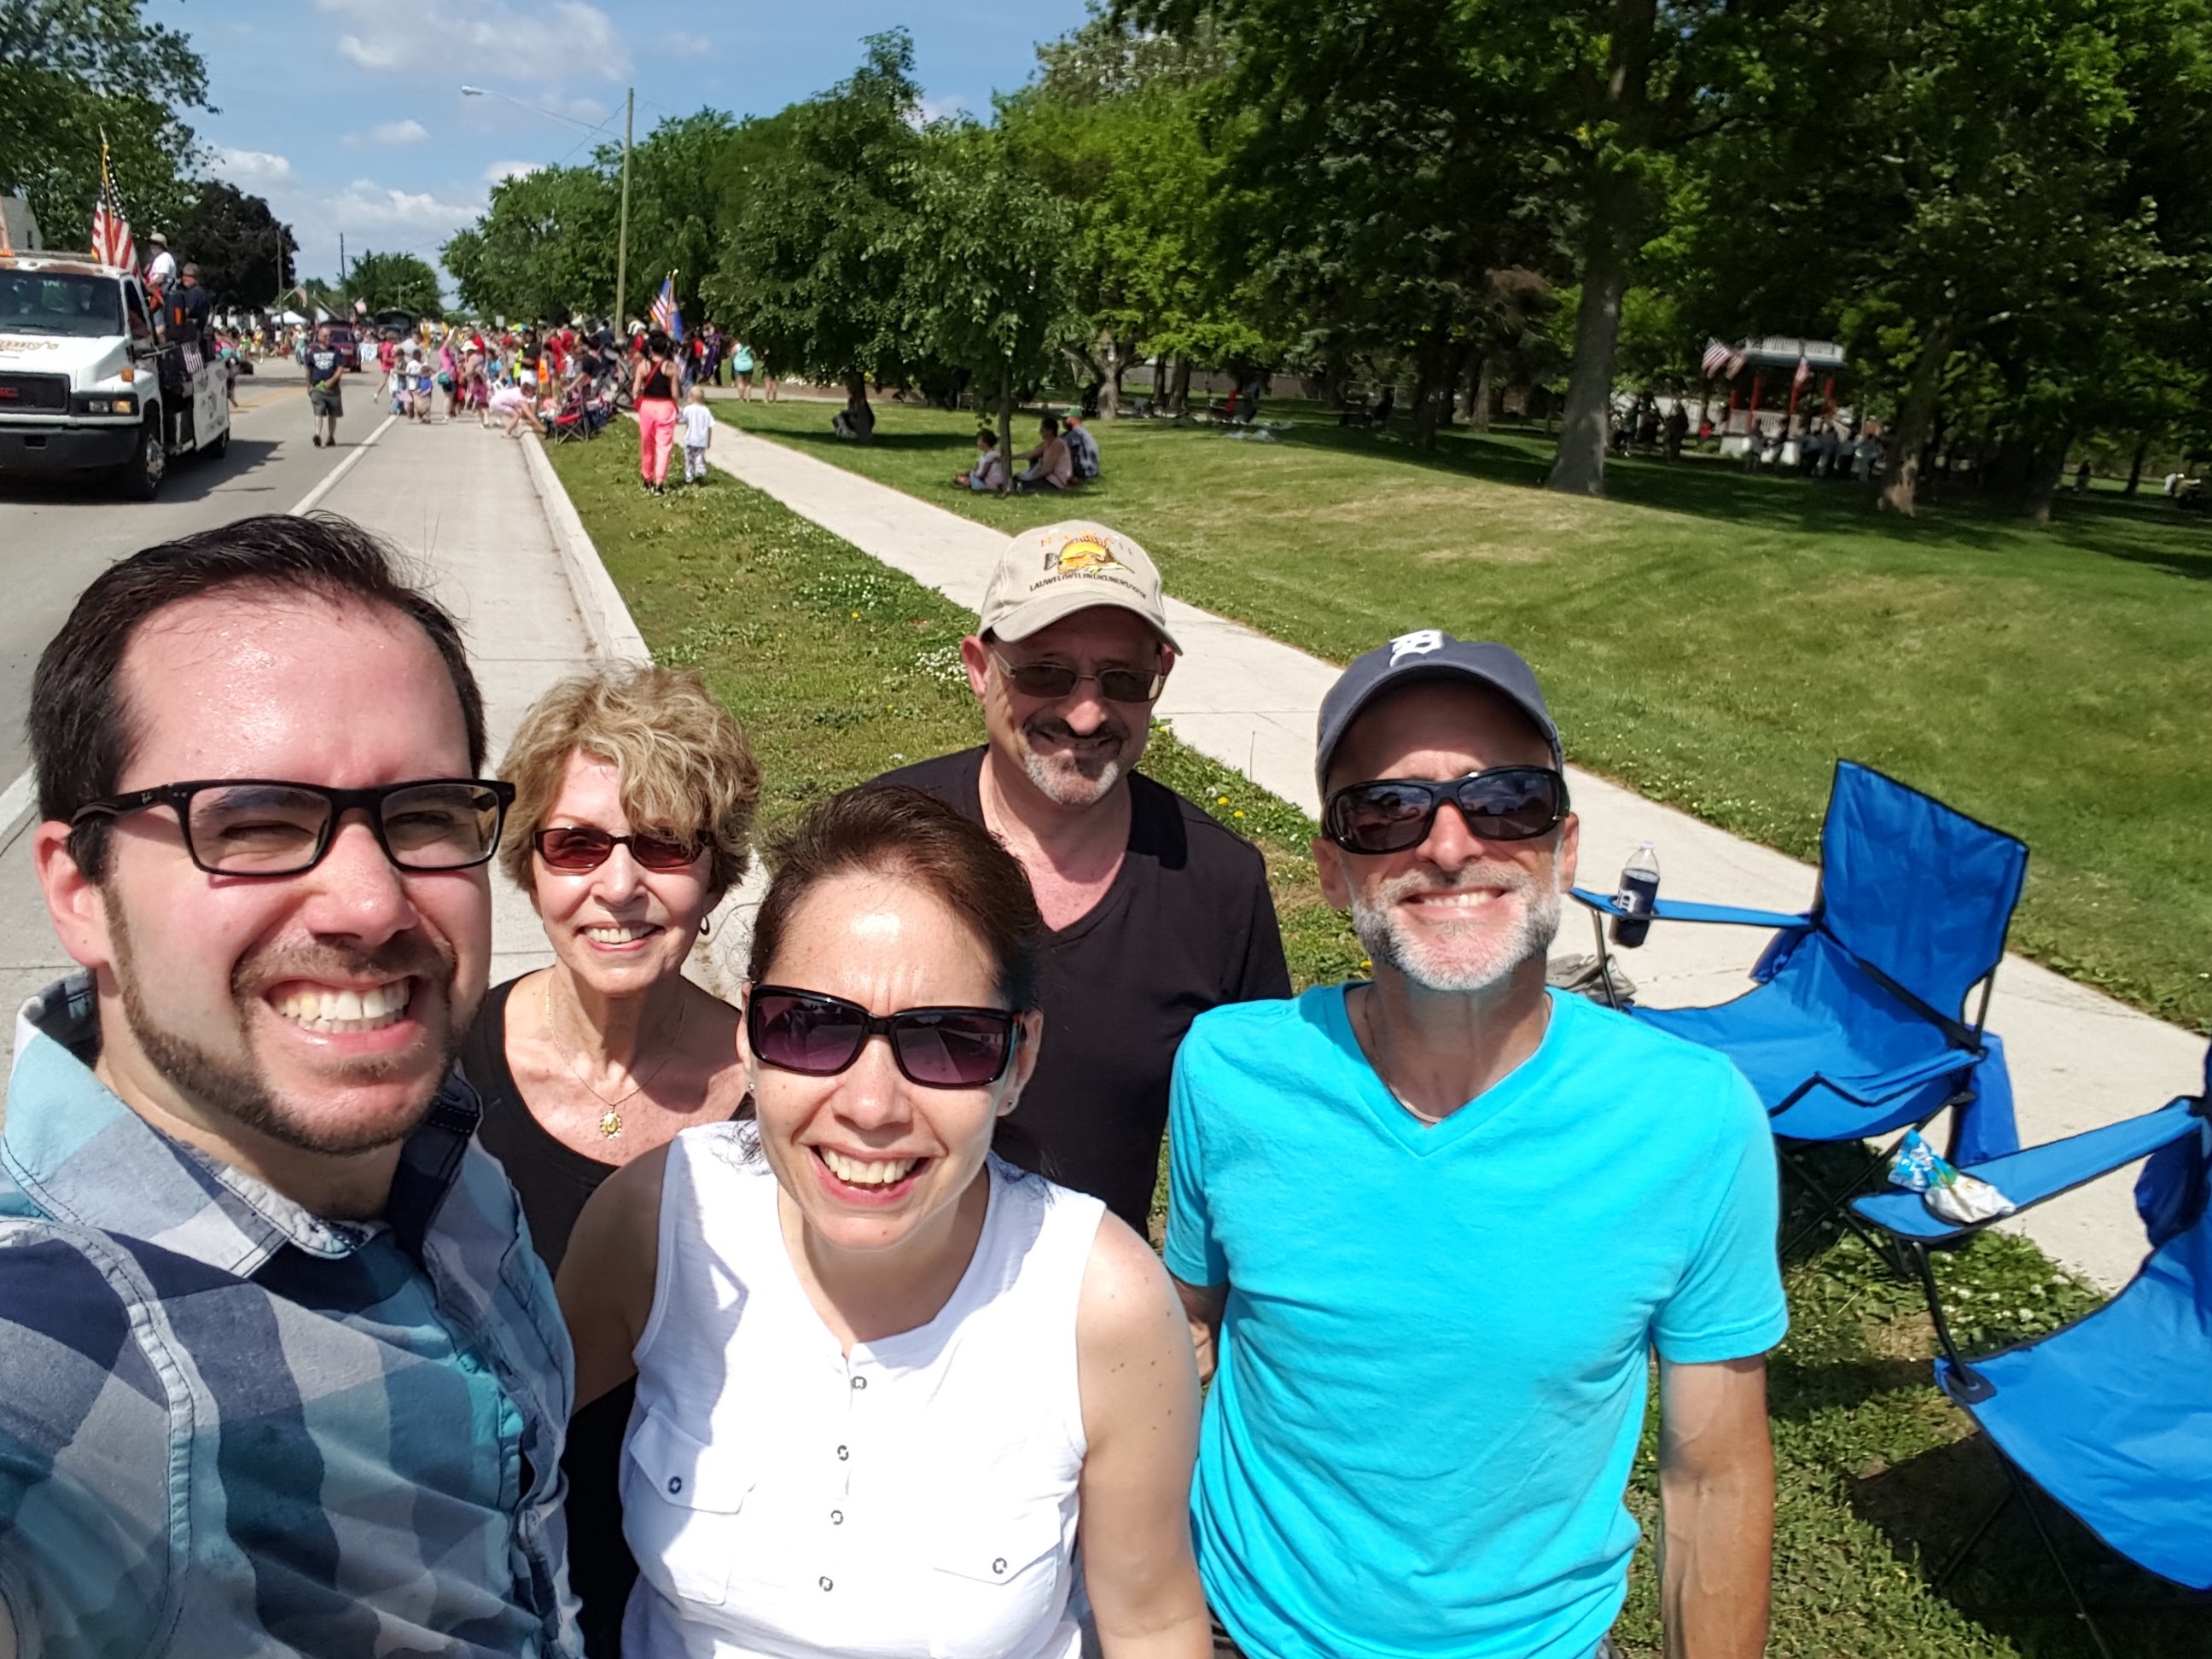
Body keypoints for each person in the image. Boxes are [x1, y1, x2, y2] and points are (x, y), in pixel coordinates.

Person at [3, 514, 579, 1656]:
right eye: (256, 825)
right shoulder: (63, 1358)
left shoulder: (440, 1156)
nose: (369, 905)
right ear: (79, 890)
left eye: (421, 817)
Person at [1167, 628, 1786, 1659]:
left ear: (1566, 848)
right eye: (1387, 810)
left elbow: (1713, 1475)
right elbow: (1188, 1328)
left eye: (1505, 800)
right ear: (1332, 869)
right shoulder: (1228, 1071)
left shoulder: (1693, 1119)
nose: (1449, 846)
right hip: (1236, 1626)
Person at [558, 785, 1213, 1659]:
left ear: (1019, 1062)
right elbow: (511, 1481)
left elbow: (1152, 1623)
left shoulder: (1103, 1301)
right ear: (750, 1036)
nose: (871, 1105)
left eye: (948, 1041)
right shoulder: (662, 1221)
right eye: (812, 1027)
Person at [459, 666, 760, 1657]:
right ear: (530, 865)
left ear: (714, 874)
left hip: (701, 1606)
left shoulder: (785, 1098)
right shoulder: (440, 1074)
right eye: (577, 844)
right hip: (482, 1582)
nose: (619, 885)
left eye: (664, 845)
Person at [875, 522, 1289, 1232]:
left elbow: (1258, 1142)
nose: (1088, 711)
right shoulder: (873, 844)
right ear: (980, 668)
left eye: (1123, 679)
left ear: (1159, 677)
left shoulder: (1218, 882)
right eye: (1045, 672)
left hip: (1088, 1319)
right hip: (874, 1293)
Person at [632, 329, 680, 494]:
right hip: (666, 406)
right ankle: (659, 482)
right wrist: (677, 407)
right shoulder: (671, 367)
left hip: (647, 406)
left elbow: (635, 390)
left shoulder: (643, 366)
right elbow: (674, 394)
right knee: (664, 445)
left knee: (647, 444)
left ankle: (647, 478)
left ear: (650, 348)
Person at [306, 318, 346, 447]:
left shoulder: (336, 351)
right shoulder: (312, 352)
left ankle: (331, 437)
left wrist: (332, 380)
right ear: (319, 337)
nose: (329, 338)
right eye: (326, 336)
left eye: (330, 336)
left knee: (332, 414)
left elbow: (340, 369)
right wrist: (309, 385)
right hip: (318, 386)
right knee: (319, 411)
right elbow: (308, 369)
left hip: (333, 388)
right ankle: (317, 434)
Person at [1016, 414, 1075, 492]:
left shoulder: (1058, 444)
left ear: (1050, 431)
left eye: (1042, 430)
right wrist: (1011, 457)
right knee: (1015, 480)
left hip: (1055, 482)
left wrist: (1029, 478)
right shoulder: (1047, 443)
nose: (1040, 432)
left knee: (1021, 486)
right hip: (1047, 478)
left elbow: (1047, 470)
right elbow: (1031, 453)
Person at [678, 384, 715, 484]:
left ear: (690, 397)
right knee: (699, 456)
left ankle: (689, 476)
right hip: (701, 440)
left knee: (689, 459)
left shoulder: (688, 409)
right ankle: (700, 469)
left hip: (689, 439)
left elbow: (681, 419)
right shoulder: (706, 411)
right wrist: (708, 441)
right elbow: (710, 426)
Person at [955, 428, 1010, 492]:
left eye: (979, 440)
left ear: (984, 443)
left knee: (962, 479)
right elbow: (976, 468)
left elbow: (983, 473)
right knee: (960, 477)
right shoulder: (983, 455)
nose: (977, 441)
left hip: (988, 480)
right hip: (982, 478)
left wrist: (974, 476)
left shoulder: (992, 455)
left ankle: (971, 484)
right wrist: (966, 473)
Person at [1064, 410, 1102, 480]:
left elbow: (1057, 447)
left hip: (1084, 472)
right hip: (1093, 471)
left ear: (1073, 419)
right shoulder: (1083, 432)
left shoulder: (1074, 435)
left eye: (1065, 418)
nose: (1063, 421)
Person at [143, 229, 175, 295]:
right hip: (153, 292)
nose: (152, 246)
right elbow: (145, 273)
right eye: (151, 243)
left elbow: (161, 279)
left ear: (162, 246)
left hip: (163, 295)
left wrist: (146, 286)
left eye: (155, 244)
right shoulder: (155, 258)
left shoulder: (165, 257)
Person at [731, 336, 755, 400]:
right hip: (748, 365)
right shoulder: (750, 348)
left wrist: (734, 361)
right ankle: (748, 398)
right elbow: (754, 356)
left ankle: (741, 398)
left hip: (738, 366)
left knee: (740, 383)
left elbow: (732, 356)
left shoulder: (735, 347)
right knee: (748, 383)